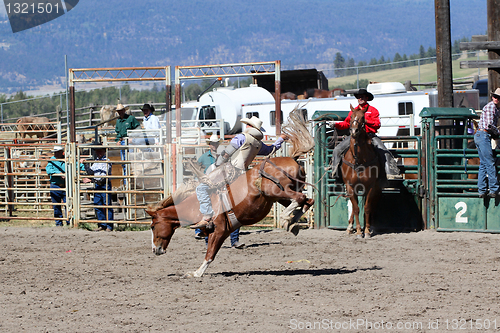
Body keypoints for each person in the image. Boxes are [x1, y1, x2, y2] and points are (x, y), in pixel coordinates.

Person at [191, 116, 288, 241]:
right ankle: (230, 236)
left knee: (201, 189)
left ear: (250, 127)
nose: (246, 126)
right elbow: (271, 149)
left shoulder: (241, 137)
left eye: (248, 125)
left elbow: (227, 153)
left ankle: (207, 217)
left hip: (229, 170)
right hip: (242, 173)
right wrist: (280, 139)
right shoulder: (258, 143)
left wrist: (217, 166)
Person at [328, 88, 402, 180]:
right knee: (337, 149)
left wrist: (366, 121)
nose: (360, 99)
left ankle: (391, 172)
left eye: (362, 97)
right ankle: (335, 172)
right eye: (359, 97)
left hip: (370, 135)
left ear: (366, 98)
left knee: (384, 151)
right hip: (354, 136)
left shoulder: (373, 110)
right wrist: (336, 124)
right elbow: (346, 123)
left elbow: (377, 124)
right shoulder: (353, 111)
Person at [46, 145, 85, 226]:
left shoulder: (67, 159)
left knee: (68, 204)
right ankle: (59, 223)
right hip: (56, 185)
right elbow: (49, 170)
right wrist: (59, 173)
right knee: (57, 206)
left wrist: (82, 163)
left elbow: (77, 165)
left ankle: (69, 221)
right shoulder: (52, 160)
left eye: (58, 152)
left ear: (62, 152)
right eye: (55, 152)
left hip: (66, 185)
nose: (56, 154)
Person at [80, 145, 114, 231]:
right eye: (97, 151)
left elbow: (103, 176)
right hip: (99, 185)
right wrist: (86, 165)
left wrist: (91, 179)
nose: (98, 153)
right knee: (97, 204)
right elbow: (91, 172)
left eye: (100, 151)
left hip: (104, 184)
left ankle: (109, 225)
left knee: (107, 205)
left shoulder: (107, 161)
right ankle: (102, 224)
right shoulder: (96, 161)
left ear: (104, 152)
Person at [474, 87, 500, 198]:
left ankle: (482, 190)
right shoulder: (491, 107)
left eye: (498, 97)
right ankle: (494, 189)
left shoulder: (495, 108)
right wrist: (498, 132)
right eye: (495, 96)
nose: (496, 99)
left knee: (483, 164)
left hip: (480, 135)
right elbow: (489, 125)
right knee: (489, 162)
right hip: (484, 134)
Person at [114, 103, 140, 181]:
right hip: (122, 142)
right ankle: (127, 181)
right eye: (119, 111)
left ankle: (133, 180)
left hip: (130, 142)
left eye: (121, 110)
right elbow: (118, 133)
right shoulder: (118, 121)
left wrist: (134, 138)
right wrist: (117, 140)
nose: (120, 112)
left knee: (131, 161)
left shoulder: (131, 118)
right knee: (124, 162)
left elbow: (138, 129)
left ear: (124, 110)